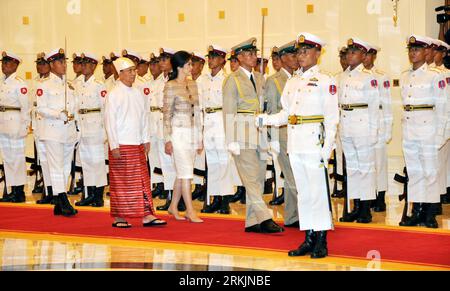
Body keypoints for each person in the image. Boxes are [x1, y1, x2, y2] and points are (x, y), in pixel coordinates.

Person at [257, 32, 339, 258]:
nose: (301, 56)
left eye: (306, 51)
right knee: (303, 193)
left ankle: (322, 240)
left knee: (318, 193)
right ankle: (309, 237)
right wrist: (265, 119)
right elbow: (286, 114)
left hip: (314, 142)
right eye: (298, 52)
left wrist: (327, 149)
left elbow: (332, 119)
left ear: (317, 53)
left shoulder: (325, 81)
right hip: (295, 143)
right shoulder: (292, 81)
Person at [223, 38, 284, 234]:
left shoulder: (260, 78)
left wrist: (272, 135)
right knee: (250, 179)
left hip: (260, 132)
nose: (253, 57)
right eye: (248, 54)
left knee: (257, 179)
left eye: (254, 53)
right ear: (239, 57)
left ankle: (251, 221)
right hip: (242, 133)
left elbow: (266, 107)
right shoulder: (232, 80)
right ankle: (265, 218)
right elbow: (229, 111)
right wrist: (231, 140)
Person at [104, 57, 166, 228]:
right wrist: (114, 145)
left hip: (137, 144)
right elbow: (109, 122)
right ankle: (119, 218)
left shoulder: (138, 93)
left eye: (134, 70)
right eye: (130, 71)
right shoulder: (113, 94)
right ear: (120, 73)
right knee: (121, 183)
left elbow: (143, 118)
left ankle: (147, 215)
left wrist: (145, 139)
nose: (134, 74)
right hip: (121, 145)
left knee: (142, 181)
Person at [398, 35, 447, 228]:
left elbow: (444, 108)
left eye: (417, 49)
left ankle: (429, 213)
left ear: (426, 51)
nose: (413, 53)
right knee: (415, 171)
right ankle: (416, 210)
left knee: (430, 171)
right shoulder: (404, 76)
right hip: (410, 128)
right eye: (410, 50)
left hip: (429, 129)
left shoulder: (435, 76)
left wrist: (442, 134)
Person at [338, 38, 380, 224]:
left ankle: (365, 209)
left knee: (366, 168)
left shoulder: (369, 77)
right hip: (346, 124)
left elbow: (374, 107)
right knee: (353, 168)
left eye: (354, 52)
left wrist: (373, 132)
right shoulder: (341, 77)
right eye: (348, 52)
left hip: (363, 124)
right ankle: (354, 206)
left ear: (364, 55)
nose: (350, 55)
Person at [36, 48, 78, 216]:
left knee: (66, 165)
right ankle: (62, 198)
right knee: (55, 165)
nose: (64, 65)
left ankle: (60, 201)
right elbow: (41, 108)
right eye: (60, 62)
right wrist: (57, 114)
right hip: (53, 130)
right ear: (52, 64)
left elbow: (75, 106)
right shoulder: (44, 85)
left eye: (64, 62)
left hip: (68, 131)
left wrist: (75, 123)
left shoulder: (69, 85)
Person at [163, 51, 204, 223]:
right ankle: (190, 210)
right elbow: (166, 115)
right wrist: (167, 139)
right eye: (188, 64)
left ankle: (173, 206)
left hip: (191, 133)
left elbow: (197, 112)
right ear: (180, 66)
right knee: (187, 173)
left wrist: (199, 137)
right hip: (177, 133)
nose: (191, 67)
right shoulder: (170, 85)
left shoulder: (193, 84)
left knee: (182, 173)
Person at [264, 40, 300, 227]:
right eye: (293, 56)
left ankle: (293, 216)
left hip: (300, 134)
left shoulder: (300, 78)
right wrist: (272, 138)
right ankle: (300, 214)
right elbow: (270, 110)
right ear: (284, 58)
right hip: (283, 135)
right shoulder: (274, 80)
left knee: (293, 175)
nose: (297, 59)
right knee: (292, 176)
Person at [197, 45, 237, 214]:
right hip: (207, 121)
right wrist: (200, 129)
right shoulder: (202, 80)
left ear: (222, 60)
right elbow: (198, 105)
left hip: (221, 121)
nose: (210, 59)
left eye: (214, 57)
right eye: (209, 56)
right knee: (212, 162)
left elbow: (231, 107)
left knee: (224, 161)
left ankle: (225, 201)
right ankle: (214, 198)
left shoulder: (228, 79)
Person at [74, 53, 108, 207]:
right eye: (83, 64)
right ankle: (88, 193)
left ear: (94, 66)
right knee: (86, 162)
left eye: (87, 64)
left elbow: (106, 108)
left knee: (97, 162)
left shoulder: (99, 84)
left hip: (95, 126)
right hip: (82, 125)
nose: (84, 66)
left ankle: (98, 195)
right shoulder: (77, 83)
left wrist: (105, 131)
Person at [363, 44, 393, 212]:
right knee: (366, 163)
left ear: (374, 56)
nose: (365, 58)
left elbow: (387, 104)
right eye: (363, 54)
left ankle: (380, 196)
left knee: (380, 162)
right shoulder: (357, 76)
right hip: (362, 123)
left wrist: (388, 127)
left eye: (368, 55)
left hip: (379, 122)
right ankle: (369, 197)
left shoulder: (381, 76)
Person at [0, 51, 30, 203]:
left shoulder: (19, 83)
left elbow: (25, 107)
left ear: (15, 65)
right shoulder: (1, 81)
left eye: (7, 62)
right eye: (3, 62)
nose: (3, 65)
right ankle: (11, 190)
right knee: (8, 158)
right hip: (3, 123)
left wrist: (24, 126)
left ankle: (19, 191)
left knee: (17, 158)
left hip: (15, 123)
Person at [32, 52, 54, 204]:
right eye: (38, 64)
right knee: (43, 161)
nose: (40, 66)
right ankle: (48, 191)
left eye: (44, 63)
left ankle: (56, 193)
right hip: (38, 125)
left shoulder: (55, 82)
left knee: (53, 161)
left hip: (50, 125)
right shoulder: (33, 82)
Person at [433, 39, 450, 205]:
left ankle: (443, 190)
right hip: (431, 123)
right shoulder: (428, 73)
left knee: (444, 160)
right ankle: (437, 194)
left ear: (443, 54)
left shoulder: (447, 73)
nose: (433, 55)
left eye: (437, 52)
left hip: (444, 120)